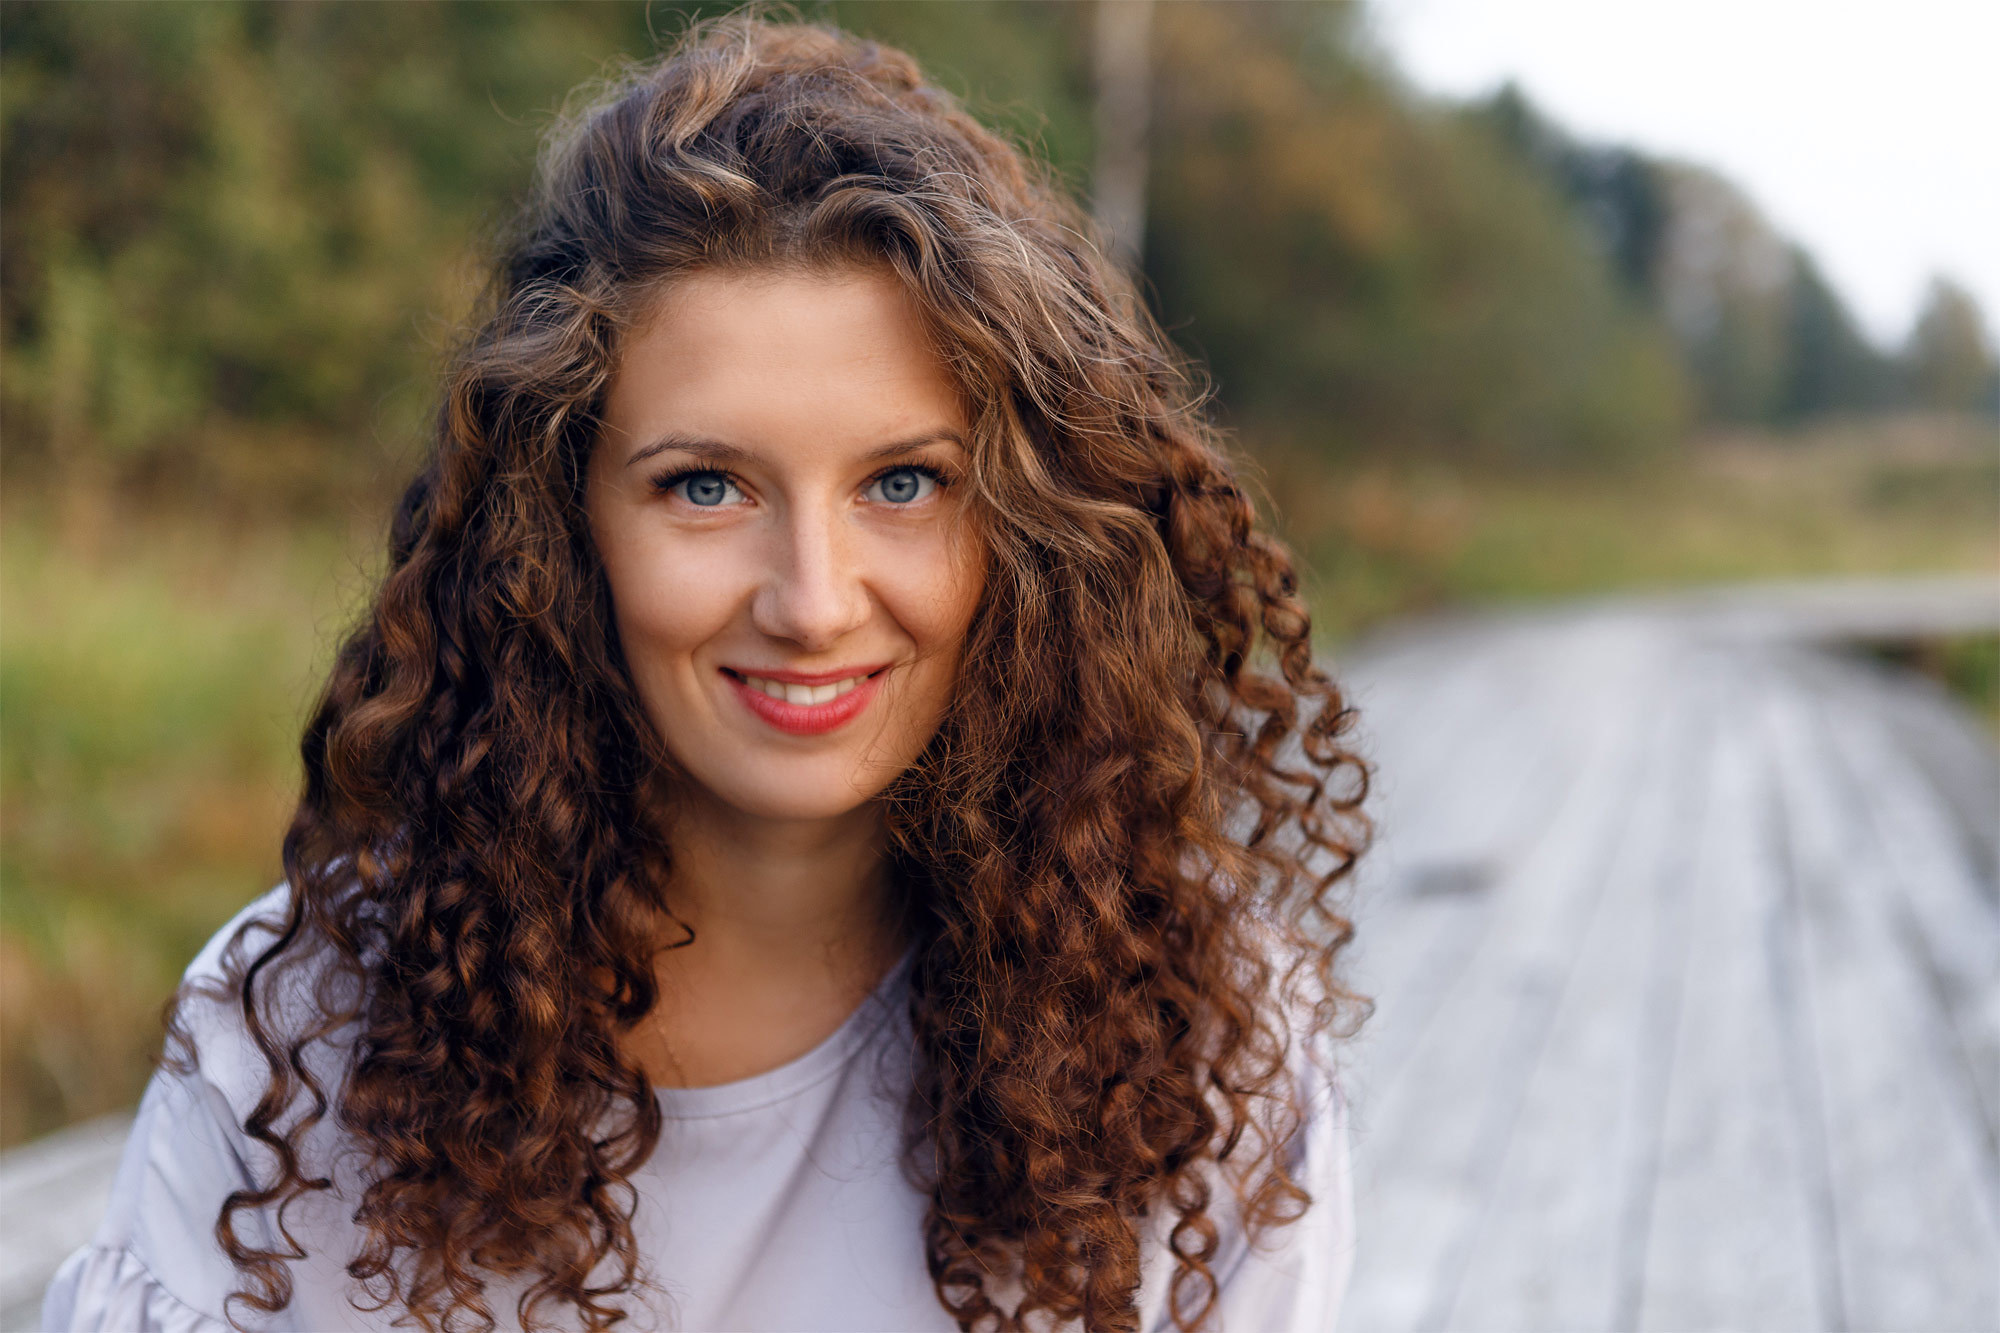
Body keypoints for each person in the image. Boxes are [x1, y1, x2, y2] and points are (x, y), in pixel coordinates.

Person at [42, 10, 1368, 1332]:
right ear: (561, 526)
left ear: (1021, 533)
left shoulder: (1191, 1051)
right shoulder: (296, 1041)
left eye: (902, 482)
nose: (811, 599)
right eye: (705, 484)